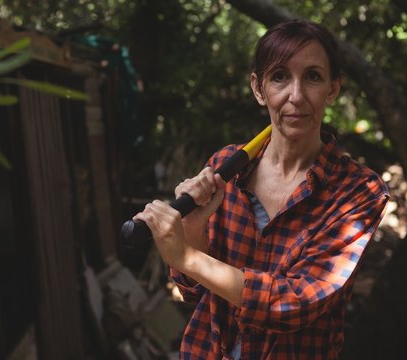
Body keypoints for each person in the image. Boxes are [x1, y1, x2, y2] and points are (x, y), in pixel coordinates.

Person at [133, 19, 389, 359]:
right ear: (259, 88)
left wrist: (186, 256)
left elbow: (294, 302)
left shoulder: (357, 191)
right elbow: (196, 293)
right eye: (280, 76)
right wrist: (193, 231)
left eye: (312, 76)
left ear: (333, 88)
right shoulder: (226, 165)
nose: (295, 96)